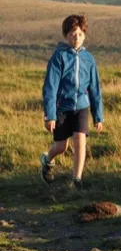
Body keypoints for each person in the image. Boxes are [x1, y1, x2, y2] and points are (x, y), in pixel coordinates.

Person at [40, 13, 104, 190]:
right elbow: (50, 87)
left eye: (80, 34)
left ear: (85, 35)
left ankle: (76, 180)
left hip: (81, 107)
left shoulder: (89, 59)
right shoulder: (58, 57)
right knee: (61, 146)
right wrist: (50, 115)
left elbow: (95, 89)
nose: (76, 38)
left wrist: (98, 116)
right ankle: (47, 159)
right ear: (66, 35)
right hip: (62, 107)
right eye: (72, 34)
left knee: (80, 140)